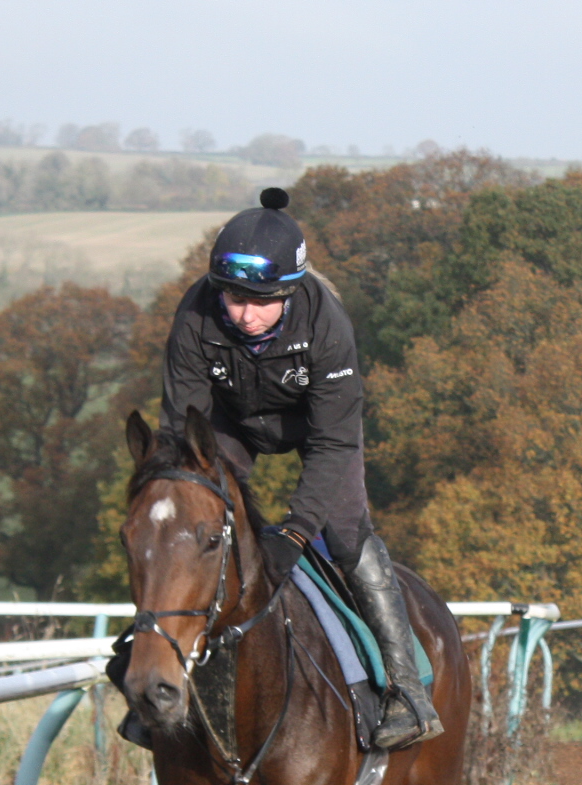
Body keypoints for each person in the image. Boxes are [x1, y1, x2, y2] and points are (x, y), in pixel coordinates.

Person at [119, 186, 442, 753]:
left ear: (291, 292)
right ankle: (146, 655)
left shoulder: (327, 324)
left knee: (344, 532)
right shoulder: (196, 313)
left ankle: (406, 689)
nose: (243, 314)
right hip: (231, 426)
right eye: (232, 299)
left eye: (260, 301)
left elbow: (334, 443)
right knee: (179, 520)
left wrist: (295, 530)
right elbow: (179, 428)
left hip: (318, 432)